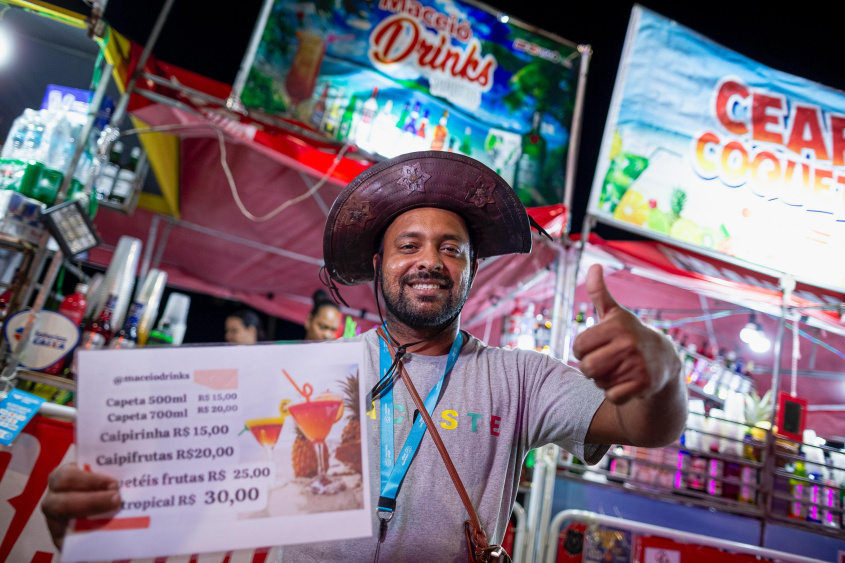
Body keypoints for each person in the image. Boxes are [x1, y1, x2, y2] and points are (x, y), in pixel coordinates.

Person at [42, 152, 685, 561]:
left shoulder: (517, 379)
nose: (430, 260)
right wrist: (96, 515)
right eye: (409, 245)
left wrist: (662, 373)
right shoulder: (305, 376)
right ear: (379, 266)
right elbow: (193, 486)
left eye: (451, 249)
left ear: (469, 272)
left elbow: (642, 426)